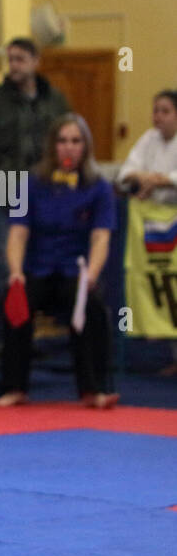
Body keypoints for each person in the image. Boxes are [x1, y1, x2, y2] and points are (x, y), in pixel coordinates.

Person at [0, 114, 117, 408]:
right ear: (52, 146)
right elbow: (18, 234)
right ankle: (14, 388)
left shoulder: (99, 187)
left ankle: (92, 390)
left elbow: (101, 238)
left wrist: (92, 276)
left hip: (76, 272)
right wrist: (15, 273)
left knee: (90, 304)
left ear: (85, 146)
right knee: (14, 300)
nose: (69, 147)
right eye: (62, 141)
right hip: (38, 269)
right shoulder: (30, 183)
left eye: (75, 141)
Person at [0, 37, 69, 351]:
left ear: (36, 61)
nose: (14, 65)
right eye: (11, 59)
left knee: (36, 266)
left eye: (20, 59)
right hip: (6, 193)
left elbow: (69, 141)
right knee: (5, 267)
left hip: (46, 196)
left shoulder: (55, 102)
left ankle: (25, 337)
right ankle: (0, 338)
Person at [117, 89, 177, 374]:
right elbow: (125, 173)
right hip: (153, 222)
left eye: (165, 111)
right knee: (161, 284)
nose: (158, 117)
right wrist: (147, 178)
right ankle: (173, 358)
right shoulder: (148, 140)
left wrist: (161, 181)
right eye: (156, 111)